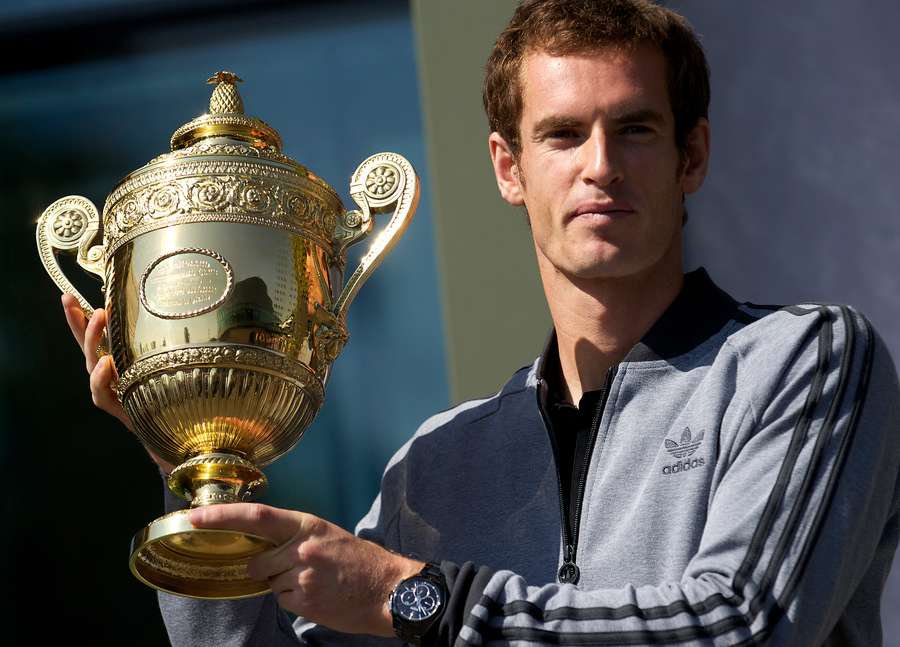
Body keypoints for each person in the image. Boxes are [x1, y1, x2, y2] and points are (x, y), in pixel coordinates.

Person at [63, 0, 900, 645]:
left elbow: (738, 627)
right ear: (509, 167)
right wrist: (195, 464)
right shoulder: (434, 467)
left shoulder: (809, 357)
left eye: (635, 130)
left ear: (694, 155)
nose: (600, 166)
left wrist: (412, 598)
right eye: (563, 134)